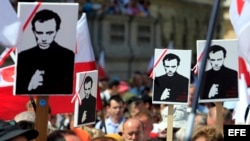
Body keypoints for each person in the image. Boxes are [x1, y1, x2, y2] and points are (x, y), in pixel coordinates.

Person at [15, 9, 75, 94]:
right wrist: (30, 86)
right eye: (39, 33)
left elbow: (68, 88)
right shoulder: (23, 57)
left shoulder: (67, 56)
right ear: (33, 31)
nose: (44, 38)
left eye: (49, 33)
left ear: (57, 31)